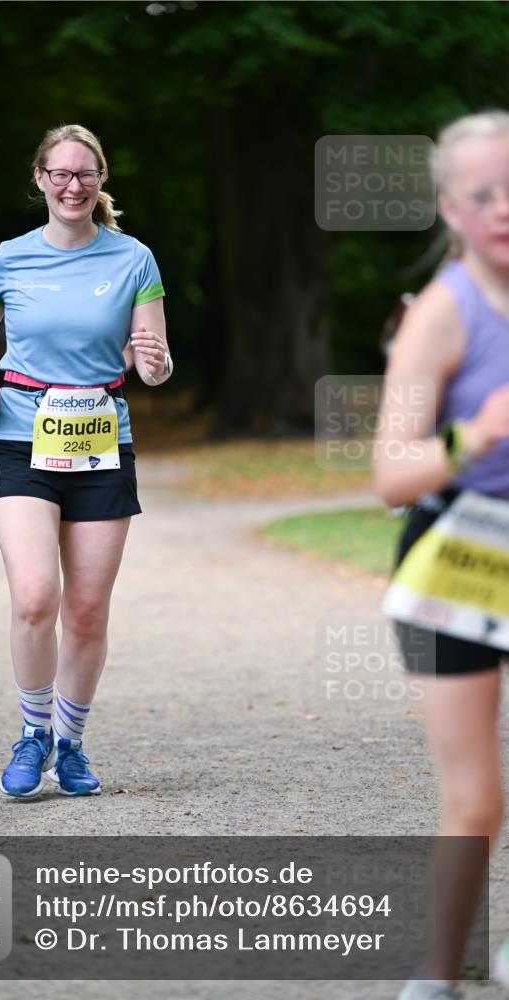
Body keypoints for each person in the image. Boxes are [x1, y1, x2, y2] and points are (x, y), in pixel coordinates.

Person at [0, 123, 172, 799]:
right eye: (61, 174)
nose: (73, 186)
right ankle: (32, 732)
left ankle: (70, 744)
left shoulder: (134, 260)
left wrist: (157, 364)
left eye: (85, 174)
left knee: (85, 610)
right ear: (40, 179)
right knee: (33, 598)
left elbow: (151, 362)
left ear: (100, 179)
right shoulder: (8, 259)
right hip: (20, 436)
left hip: (101, 441)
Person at [374, 110, 509, 999]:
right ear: (448, 209)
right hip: (459, 552)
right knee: (476, 798)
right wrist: (477, 434)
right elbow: (390, 472)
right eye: (482, 194)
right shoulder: (439, 316)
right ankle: (438, 976)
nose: (503, 208)